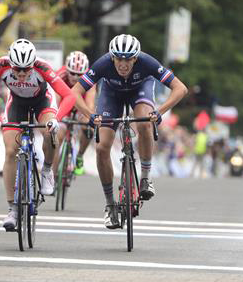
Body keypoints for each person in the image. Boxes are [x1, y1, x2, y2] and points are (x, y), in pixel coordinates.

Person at [70, 34, 188, 229]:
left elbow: (180, 88)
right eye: (118, 59)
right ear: (112, 57)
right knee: (102, 147)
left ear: (135, 58)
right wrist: (90, 115)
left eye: (128, 59)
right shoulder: (103, 64)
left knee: (144, 123)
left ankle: (146, 179)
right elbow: (74, 92)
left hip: (140, 90)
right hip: (111, 94)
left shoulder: (147, 62)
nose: (123, 64)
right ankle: (110, 205)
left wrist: (160, 112)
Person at [0, 39, 76, 230]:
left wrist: (57, 118)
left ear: (33, 64)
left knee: (49, 131)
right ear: (10, 64)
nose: (21, 74)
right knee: (11, 151)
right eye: (17, 69)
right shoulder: (0, 65)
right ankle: (12, 208)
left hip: (42, 102)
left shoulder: (42, 67)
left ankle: (46, 170)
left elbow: (69, 95)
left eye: (26, 69)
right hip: (17, 104)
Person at [52, 51, 96, 177]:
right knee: (56, 136)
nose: (75, 77)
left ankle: (80, 155)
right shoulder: (59, 75)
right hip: (63, 105)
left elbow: (89, 105)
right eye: (72, 73)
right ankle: (52, 174)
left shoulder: (90, 78)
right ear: (66, 69)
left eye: (79, 74)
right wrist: (57, 118)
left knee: (89, 127)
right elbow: (55, 103)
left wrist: (87, 117)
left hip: (81, 106)